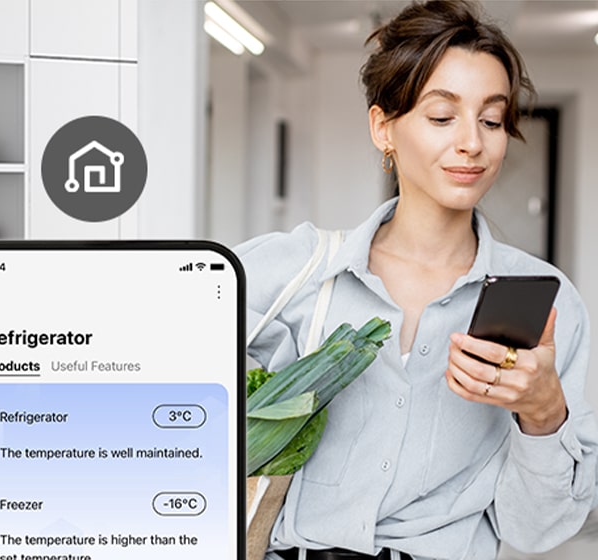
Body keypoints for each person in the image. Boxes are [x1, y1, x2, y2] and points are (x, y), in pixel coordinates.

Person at [235, 1, 597, 559]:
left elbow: (536, 531)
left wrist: (544, 413)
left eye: (492, 119)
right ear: (384, 127)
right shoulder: (299, 268)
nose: (472, 143)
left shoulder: (548, 303)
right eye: (441, 116)